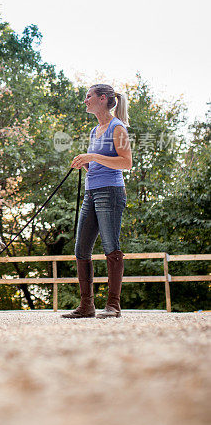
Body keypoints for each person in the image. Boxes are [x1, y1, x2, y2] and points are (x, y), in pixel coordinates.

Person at [63, 84, 132, 319]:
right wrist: (87, 163)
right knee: (81, 248)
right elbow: (102, 163)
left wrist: (91, 156)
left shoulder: (117, 127)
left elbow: (126, 163)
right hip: (91, 193)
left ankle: (113, 305)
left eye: (88, 96)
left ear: (102, 99)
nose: (85, 100)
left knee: (110, 246)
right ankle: (87, 306)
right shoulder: (95, 131)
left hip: (111, 192)